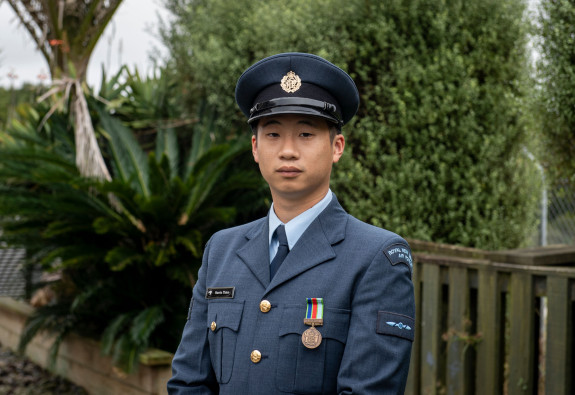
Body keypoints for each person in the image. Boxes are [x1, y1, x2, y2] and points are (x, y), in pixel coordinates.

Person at [168, 52, 415, 395]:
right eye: (272, 135)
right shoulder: (221, 250)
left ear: (337, 147)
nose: (287, 151)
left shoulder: (377, 257)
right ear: (255, 147)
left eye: (305, 134)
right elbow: (188, 383)